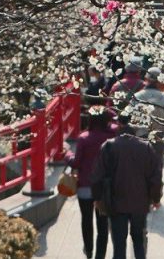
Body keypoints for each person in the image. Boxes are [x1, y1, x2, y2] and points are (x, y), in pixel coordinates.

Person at [91, 114, 164, 259]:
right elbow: (155, 178)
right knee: (138, 240)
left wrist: (97, 198)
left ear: (118, 125)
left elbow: (97, 176)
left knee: (119, 243)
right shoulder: (146, 147)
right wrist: (156, 198)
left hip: (116, 201)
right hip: (140, 201)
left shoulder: (109, 146)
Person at [70, 109, 118, 259]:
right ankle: (100, 255)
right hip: (104, 186)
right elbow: (114, 116)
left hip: (85, 184)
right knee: (102, 223)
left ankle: (89, 249)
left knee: (86, 219)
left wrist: (67, 155)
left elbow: (76, 162)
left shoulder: (84, 138)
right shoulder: (111, 136)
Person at [133, 68, 164, 158]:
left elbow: (130, 117)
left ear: (146, 79)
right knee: (156, 165)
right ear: (160, 81)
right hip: (159, 137)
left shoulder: (137, 96)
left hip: (139, 136)